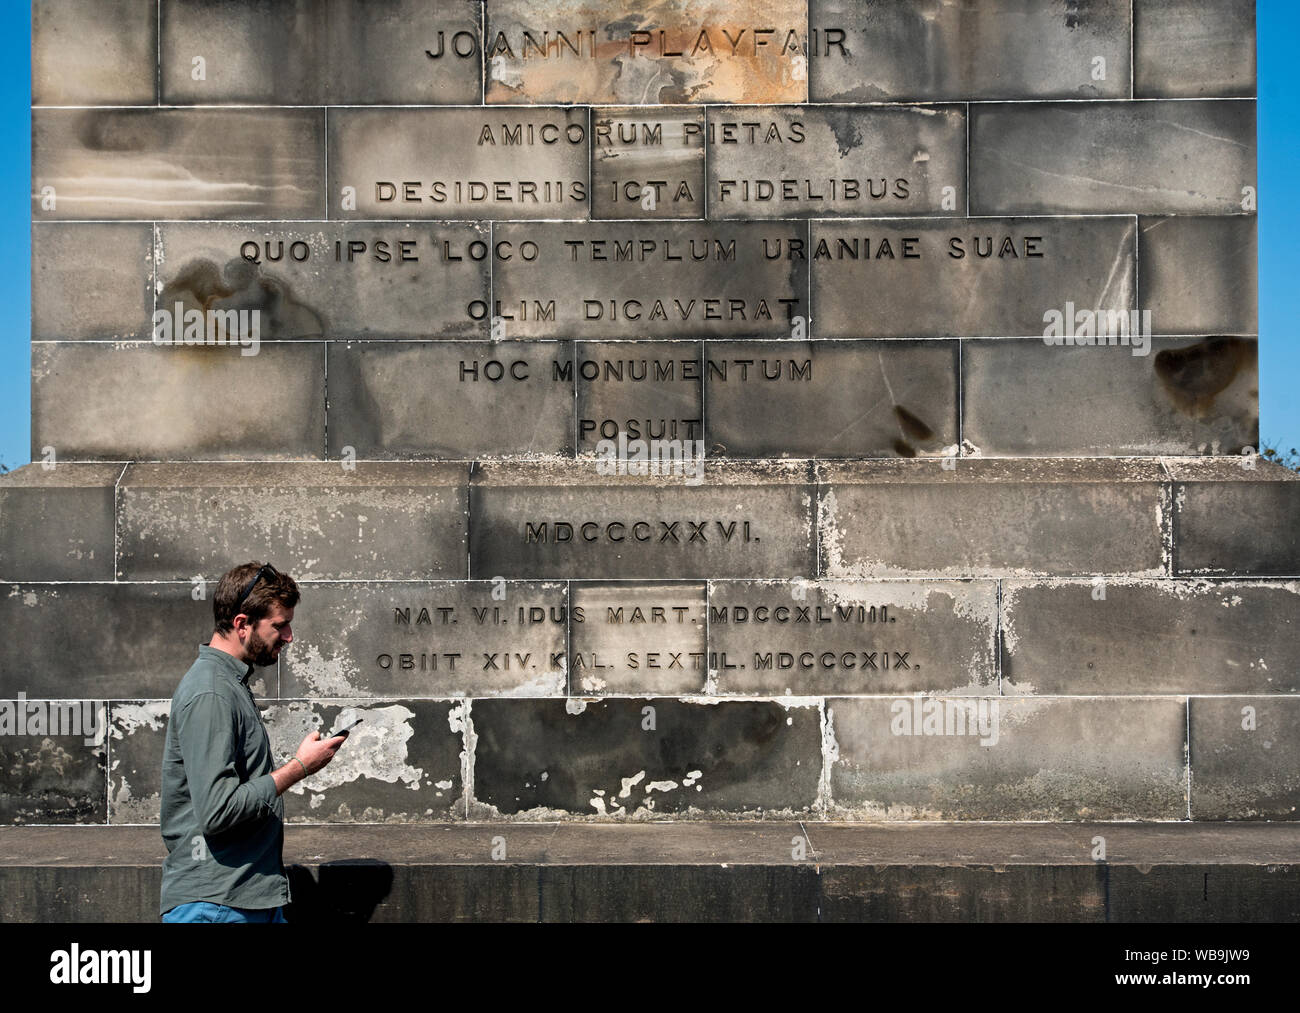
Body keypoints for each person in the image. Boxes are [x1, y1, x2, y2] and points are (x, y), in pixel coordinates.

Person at [159, 561, 343, 923]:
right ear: (242, 625)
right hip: (216, 907)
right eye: (279, 625)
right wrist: (300, 767)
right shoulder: (211, 692)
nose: (289, 635)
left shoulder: (228, 683)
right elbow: (218, 811)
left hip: (244, 901)